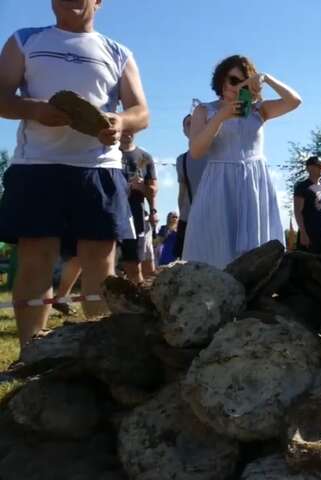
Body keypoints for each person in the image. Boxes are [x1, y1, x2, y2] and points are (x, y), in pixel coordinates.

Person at [0, 0, 149, 348]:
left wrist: (121, 121)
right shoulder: (24, 40)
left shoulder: (118, 52)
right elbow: (1, 97)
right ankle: (31, 354)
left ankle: (100, 356)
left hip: (99, 168)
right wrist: (34, 109)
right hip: (37, 166)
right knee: (36, 259)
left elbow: (141, 111)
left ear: (98, 2)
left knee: (100, 263)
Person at [183, 56, 301, 268]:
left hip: (254, 184)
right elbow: (196, 151)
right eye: (233, 80)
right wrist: (221, 117)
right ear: (221, 80)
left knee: (255, 255)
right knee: (216, 248)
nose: (238, 87)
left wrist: (266, 78)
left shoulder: (258, 109)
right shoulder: (204, 110)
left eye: (244, 83)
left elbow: (294, 101)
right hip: (220, 183)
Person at [119, 131, 157, 283]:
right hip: (111, 213)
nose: (127, 133)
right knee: (103, 261)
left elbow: (153, 189)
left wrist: (153, 210)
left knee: (134, 265)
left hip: (136, 216)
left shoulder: (145, 157)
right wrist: (127, 187)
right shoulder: (108, 153)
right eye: (124, 129)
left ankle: (139, 295)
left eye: (131, 130)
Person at [175, 113, 208, 259]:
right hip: (189, 219)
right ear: (184, 131)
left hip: (214, 217)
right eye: (188, 123)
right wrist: (182, 218)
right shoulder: (181, 160)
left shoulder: (218, 154)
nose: (192, 125)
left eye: (196, 121)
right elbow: (182, 192)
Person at [293, 155, 321, 255]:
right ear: (308, 168)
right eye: (317, 165)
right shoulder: (302, 187)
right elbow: (298, 211)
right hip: (309, 232)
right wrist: (303, 233)